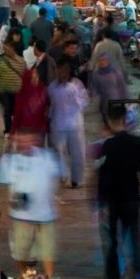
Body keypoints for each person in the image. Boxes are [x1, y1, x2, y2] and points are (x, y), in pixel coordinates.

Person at [97, 102, 140, 279]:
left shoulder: (108, 145)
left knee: (112, 243)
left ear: (112, 121)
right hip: (132, 197)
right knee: (136, 241)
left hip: (113, 200)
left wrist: (101, 201)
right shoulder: (137, 142)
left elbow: (102, 176)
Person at [0, 127, 61, 277]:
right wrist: (7, 203)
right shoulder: (8, 161)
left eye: (30, 138)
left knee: (47, 250)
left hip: (45, 215)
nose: (27, 143)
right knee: (20, 251)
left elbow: (56, 179)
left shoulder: (48, 157)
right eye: (23, 139)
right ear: (15, 140)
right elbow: (2, 185)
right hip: (21, 216)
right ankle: (26, 277)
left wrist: (55, 199)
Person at [49, 58, 88, 188]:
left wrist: (74, 96)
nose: (61, 74)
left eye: (64, 71)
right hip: (58, 124)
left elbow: (84, 102)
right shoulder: (52, 87)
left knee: (76, 154)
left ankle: (76, 179)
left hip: (74, 125)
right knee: (58, 152)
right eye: (59, 71)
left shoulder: (76, 85)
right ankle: (62, 174)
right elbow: (49, 105)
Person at [0, 39, 26, 135]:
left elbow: (24, 75)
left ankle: (17, 127)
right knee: (7, 110)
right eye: (4, 49)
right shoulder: (1, 61)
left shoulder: (21, 61)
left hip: (17, 91)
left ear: (13, 49)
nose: (5, 51)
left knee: (17, 111)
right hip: (4, 91)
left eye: (7, 49)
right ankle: (8, 129)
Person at [89, 51, 127, 122]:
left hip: (116, 104)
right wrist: (93, 96)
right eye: (100, 60)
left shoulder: (116, 73)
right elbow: (93, 88)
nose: (102, 62)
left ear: (108, 60)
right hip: (104, 104)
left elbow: (122, 88)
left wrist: (125, 102)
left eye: (104, 60)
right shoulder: (96, 74)